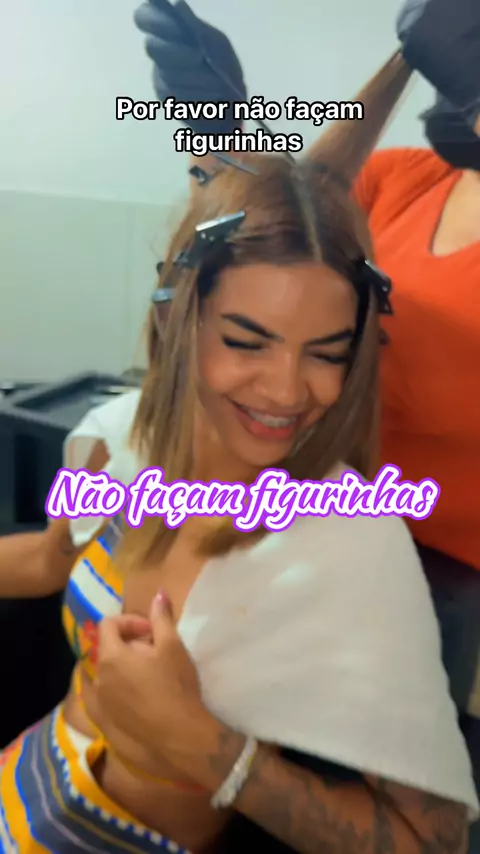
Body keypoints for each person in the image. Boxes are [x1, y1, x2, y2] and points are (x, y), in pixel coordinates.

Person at [0, 41, 478, 854]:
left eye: (327, 353)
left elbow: (432, 842)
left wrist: (215, 756)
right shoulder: (120, 440)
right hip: (25, 781)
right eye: (246, 341)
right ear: (179, 316)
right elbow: (50, 560)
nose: (288, 391)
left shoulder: (347, 545)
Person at [133, 0, 480, 720]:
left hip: (442, 577)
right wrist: (219, 137)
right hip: (306, 521)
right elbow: (270, 240)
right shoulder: (403, 181)